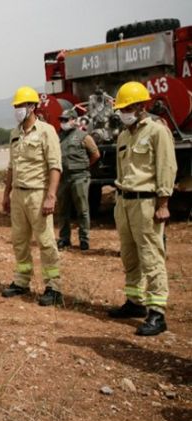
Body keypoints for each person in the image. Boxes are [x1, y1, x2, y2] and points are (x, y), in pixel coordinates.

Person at [107, 81, 177, 336]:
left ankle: (157, 312)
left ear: (140, 106)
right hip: (124, 203)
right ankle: (134, 302)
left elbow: (166, 168)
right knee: (130, 255)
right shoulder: (125, 135)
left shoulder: (157, 131)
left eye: (127, 108)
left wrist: (163, 204)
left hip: (147, 203)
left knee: (151, 257)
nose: (122, 112)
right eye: (121, 108)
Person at [1, 86, 63, 306]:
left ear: (33, 107)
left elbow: (55, 166)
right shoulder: (14, 134)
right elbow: (11, 167)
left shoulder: (47, 131)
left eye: (22, 105)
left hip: (38, 194)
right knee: (19, 240)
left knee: (46, 242)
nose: (18, 109)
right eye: (16, 106)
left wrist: (51, 196)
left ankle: (53, 286)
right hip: (18, 194)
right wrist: (6, 194)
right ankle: (22, 280)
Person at [56, 109, 100, 251]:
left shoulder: (83, 136)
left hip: (79, 176)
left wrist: (84, 166)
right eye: (62, 120)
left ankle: (84, 240)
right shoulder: (59, 137)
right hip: (63, 178)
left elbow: (95, 154)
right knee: (63, 209)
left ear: (74, 120)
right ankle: (64, 239)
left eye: (66, 120)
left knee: (82, 209)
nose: (63, 123)